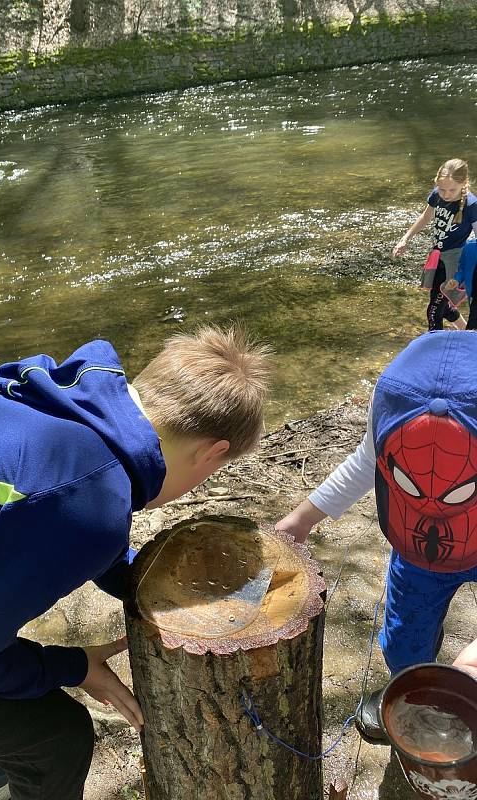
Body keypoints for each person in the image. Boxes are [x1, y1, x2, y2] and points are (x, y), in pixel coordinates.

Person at [0, 326, 273, 800]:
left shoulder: (55, 408)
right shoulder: (87, 499)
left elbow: (45, 511)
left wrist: (133, 575)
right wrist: (70, 666)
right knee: (57, 738)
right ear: (213, 454)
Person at [277, 330, 477, 744]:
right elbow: (366, 461)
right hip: (417, 553)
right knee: (405, 639)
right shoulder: (393, 402)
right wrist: (302, 519)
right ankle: (407, 688)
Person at [392, 158, 477, 331]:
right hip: (437, 257)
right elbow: (425, 217)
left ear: (463, 183)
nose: (445, 194)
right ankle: (466, 336)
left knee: (433, 312)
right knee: (444, 308)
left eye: (451, 190)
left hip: (454, 263)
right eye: (442, 189)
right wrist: (405, 239)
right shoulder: (437, 194)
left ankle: (433, 352)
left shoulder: (471, 204)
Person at [443, 240, 477, 330]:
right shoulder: (470, 247)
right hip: (474, 298)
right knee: (472, 332)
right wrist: (456, 280)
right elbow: (462, 268)